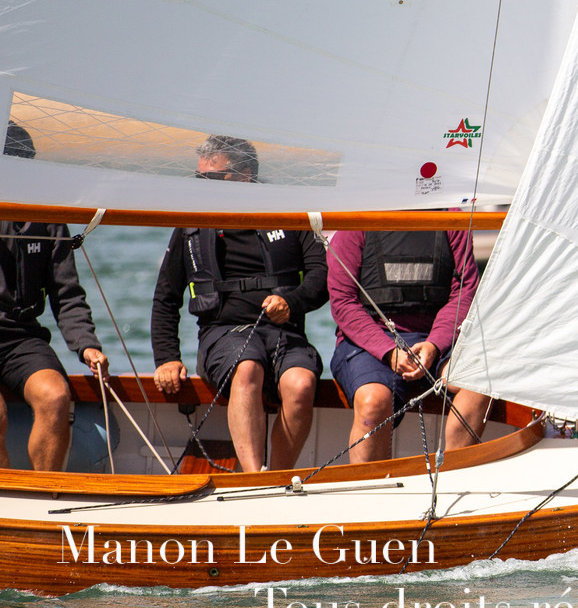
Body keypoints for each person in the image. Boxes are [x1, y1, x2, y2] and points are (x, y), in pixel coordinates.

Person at [150, 136, 328, 471]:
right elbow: (166, 296)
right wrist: (167, 358)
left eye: (213, 177)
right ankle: (253, 477)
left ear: (246, 176)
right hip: (222, 333)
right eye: (199, 177)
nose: (203, 185)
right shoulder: (192, 224)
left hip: (284, 333)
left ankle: (277, 479)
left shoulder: (289, 213)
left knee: (301, 384)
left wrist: (290, 302)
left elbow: (321, 277)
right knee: (247, 369)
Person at [1, 121, 111, 470]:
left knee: (56, 396)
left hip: (21, 339)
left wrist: (86, 345)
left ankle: (45, 493)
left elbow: (66, 293)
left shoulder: (48, 218)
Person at [328, 228, 490, 463]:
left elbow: (465, 292)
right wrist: (389, 352)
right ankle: (369, 483)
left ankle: (453, 473)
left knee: (477, 379)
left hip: (436, 339)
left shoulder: (451, 220)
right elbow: (343, 301)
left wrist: (434, 344)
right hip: (371, 343)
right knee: (372, 402)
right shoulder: (356, 224)